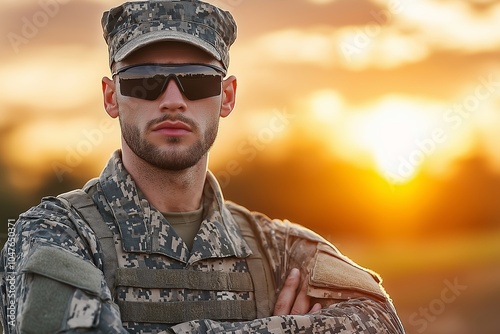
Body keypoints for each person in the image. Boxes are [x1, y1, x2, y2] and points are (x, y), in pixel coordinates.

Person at [0, 1, 405, 333]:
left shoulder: (276, 247)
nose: (173, 99)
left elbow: (382, 322)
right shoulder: (56, 233)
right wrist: (281, 328)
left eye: (197, 80)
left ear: (227, 96)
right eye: (144, 79)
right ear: (111, 96)